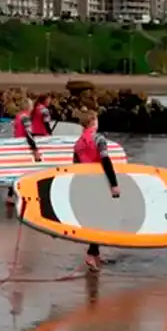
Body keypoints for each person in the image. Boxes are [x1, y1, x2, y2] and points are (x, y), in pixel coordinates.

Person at [73, 112, 119, 271]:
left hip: (85, 183)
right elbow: (106, 161)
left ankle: (96, 254)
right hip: (99, 182)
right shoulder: (99, 139)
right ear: (93, 121)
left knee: (95, 218)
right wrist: (114, 184)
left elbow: (75, 167)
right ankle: (91, 254)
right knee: (100, 219)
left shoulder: (78, 143)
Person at [10, 98, 43, 205]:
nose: (33, 107)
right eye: (32, 105)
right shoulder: (25, 117)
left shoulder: (18, 116)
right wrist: (35, 149)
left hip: (17, 145)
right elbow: (28, 134)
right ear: (28, 107)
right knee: (29, 172)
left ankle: (10, 196)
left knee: (18, 171)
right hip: (24, 147)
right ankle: (26, 196)